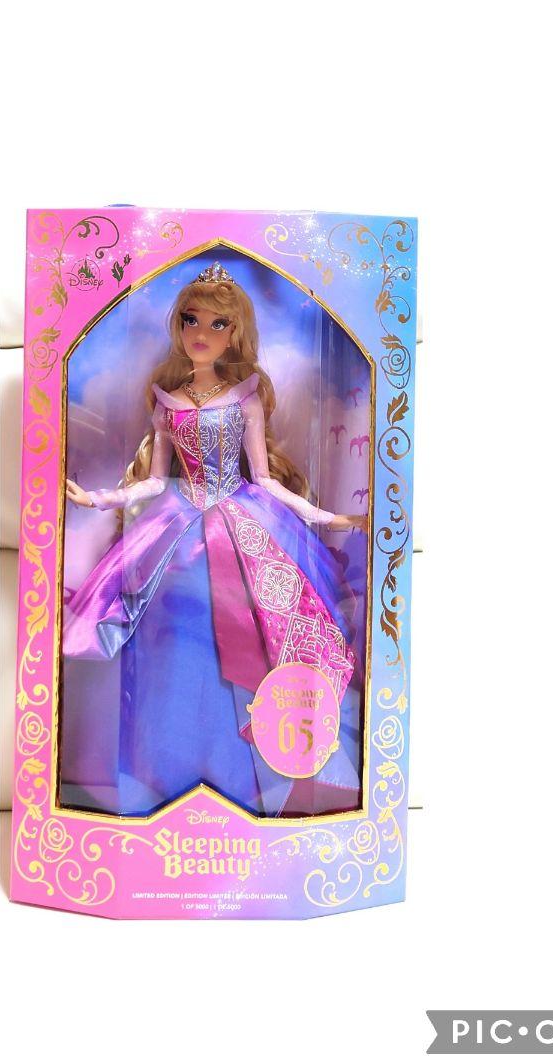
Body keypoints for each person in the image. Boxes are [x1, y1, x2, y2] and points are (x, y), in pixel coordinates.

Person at [60, 260, 367, 817]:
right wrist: (98, 499)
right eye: (191, 320)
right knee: (170, 639)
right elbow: (155, 480)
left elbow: (265, 478)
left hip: (242, 519)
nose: (201, 333)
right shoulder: (167, 401)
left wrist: (326, 518)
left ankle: (244, 771)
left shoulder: (244, 397)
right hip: (176, 528)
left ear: (235, 333)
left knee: (253, 626)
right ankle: (163, 772)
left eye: (217, 324)